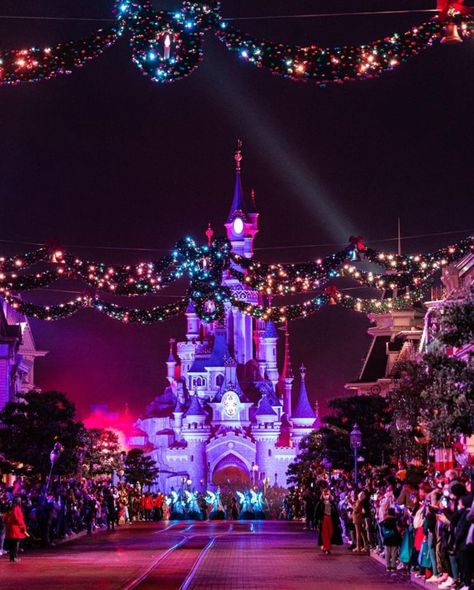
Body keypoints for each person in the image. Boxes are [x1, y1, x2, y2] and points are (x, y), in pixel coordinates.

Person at [314, 489, 343, 555]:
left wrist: (337, 521)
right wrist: (316, 522)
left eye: (327, 494)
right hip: (324, 519)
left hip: (330, 519)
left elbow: (335, 513)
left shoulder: (332, 503)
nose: (326, 495)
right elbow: (317, 513)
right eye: (325, 494)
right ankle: (327, 548)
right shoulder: (320, 503)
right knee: (325, 534)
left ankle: (325, 546)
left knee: (330, 533)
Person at [5, 497, 27, 563]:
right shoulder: (16, 509)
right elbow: (18, 519)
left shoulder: (12, 508)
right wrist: (22, 526)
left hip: (12, 528)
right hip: (15, 528)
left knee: (12, 544)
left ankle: (12, 557)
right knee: (15, 544)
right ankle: (13, 557)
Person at [380, 507, 402, 572]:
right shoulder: (396, 520)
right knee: (394, 553)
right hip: (395, 538)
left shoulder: (384, 521)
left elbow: (382, 530)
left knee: (387, 553)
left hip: (387, 539)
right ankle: (393, 566)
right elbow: (399, 529)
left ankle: (387, 566)